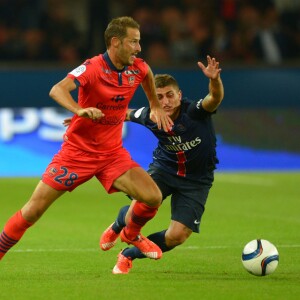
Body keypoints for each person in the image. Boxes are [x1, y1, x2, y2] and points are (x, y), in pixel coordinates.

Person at [0, 16, 174, 262]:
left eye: (139, 42)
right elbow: (57, 89)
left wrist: (154, 104)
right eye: (133, 42)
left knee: (153, 197)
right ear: (115, 42)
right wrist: (78, 110)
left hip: (112, 155)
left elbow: (147, 74)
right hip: (77, 154)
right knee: (34, 209)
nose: (138, 48)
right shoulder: (92, 67)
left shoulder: (137, 67)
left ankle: (131, 234)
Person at [100, 55, 224, 274]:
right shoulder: (150, 114)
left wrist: (214, 80)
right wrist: (86, 117)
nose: (165, 101)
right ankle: (119, 224)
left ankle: (128, 255)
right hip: (164, 170)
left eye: (170, 95)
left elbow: (213, 99)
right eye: (159, 97)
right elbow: (122, 114)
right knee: (132, 217)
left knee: (177, 236)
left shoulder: (193, 112)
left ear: (179, 95)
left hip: (197, 180)